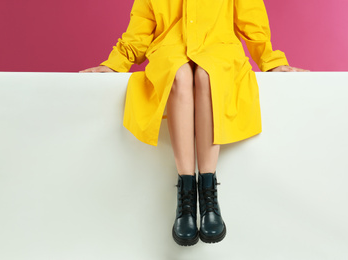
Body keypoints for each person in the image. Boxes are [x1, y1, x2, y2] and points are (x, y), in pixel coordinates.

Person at [80, 0, 309, 246]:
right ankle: (186, 193)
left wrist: (271, 62)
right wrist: (114, 65)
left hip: (219, 49)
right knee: (178, 75)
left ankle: (208, 190)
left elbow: (252, 23)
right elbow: (140, 31)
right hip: (170, 51)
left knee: (206, 74)